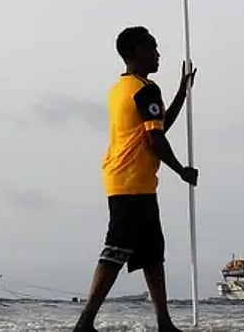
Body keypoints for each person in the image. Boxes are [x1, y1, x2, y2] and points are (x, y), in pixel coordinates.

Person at [72, 25, 199, 332]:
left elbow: (157, 127)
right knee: (116, 249)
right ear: (139, 51)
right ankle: (85, 322)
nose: (158, 54)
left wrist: (182, 93)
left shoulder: (122, 88)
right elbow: (155, 140)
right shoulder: (145, 90)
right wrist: (181, 170)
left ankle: (164, 323)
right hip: (130, 182)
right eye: (154, 48)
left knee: (152, 254)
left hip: (132, 181)